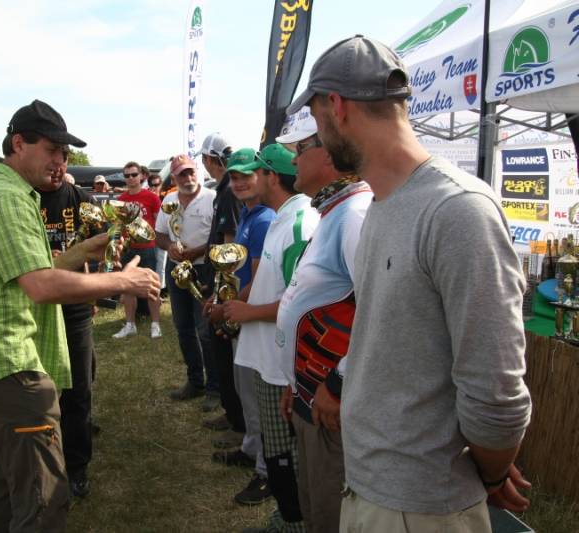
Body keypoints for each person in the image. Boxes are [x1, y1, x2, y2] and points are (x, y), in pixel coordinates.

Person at [286, 35, 532, 531]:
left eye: (315, 117)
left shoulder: (457, 210)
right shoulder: (382, 203)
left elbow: (496, 398)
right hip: (374, 489)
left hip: (419, 508)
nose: (317, 135)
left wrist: (487, 472)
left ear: (337, 107)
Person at [0, 99, 160, 532]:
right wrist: (123, 281)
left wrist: (84, 250)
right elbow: (42, 285)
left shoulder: (9, 194)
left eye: (65, 153)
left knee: (9, 491)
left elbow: (33, 271)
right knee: (43, 501)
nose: (60, 161)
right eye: (52, 149)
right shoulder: (6, 199)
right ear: (18, 144)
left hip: (1, 366)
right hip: (12, 367)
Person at [272, 107, 372, 533]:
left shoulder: (355, 215)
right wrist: (296, 381)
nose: (293, 160)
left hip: (334, 405)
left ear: (328, 152)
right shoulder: (336, 211)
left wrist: (338, 383)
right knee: (316, 506)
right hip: (313, 395)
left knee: (333, 514)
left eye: (299, 150)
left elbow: (379, 311)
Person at [222, 144, 318, 533]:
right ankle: (286, 516)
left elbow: (305, 304)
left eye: (256, 171)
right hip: (269, 360)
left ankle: (293, 524)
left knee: (284, 457)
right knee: (278, 453)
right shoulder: (282, 218)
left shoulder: (300, 224)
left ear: (271, 177)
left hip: (282, 367)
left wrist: (248, 313)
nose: (247, 178)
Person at [208, 147, 276, 507]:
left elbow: (259, 277)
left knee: (255, 394)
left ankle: (266, 471)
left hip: (253, 316)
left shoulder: (263, 220)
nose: (238, 183)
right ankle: (252, 450)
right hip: (241, 312)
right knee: (244, 388)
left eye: (245, 176)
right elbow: (236, 272)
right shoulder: (250, 214)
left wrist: (228, 308)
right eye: (233, 177)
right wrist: (219, 298)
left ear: (262, 176)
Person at [38, 155, 100, 498]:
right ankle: (41, 457)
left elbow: (98, 242)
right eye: (52, 159)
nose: (58, 166)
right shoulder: (25, 197)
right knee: (39, 387)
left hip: (73, 304)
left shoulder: (82, 200)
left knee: (79, 387)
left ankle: (77, 466)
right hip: (36, 303)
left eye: (63, 160)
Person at [155, 154, 219, 410]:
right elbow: (159, 234)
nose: (188, 177)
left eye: (191, 172)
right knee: (183, 327)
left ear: (198, 172)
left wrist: (197, 252)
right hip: (176, 268)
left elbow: (219, 237)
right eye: (182, 174)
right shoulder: (169, 200)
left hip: (203, 268)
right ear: (174, 178)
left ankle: (215, 388)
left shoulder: (212, 198)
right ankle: (195, 381)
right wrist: (169, 246)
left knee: (206, 329)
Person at [197, 133, 245, 432]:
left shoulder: (228, 191)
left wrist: (219, 293)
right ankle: (233, 413)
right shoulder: (225, 189)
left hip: (224, 282)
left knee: (224, 352)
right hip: (222, 280)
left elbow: (229, 245)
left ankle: (235, 417)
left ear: (208, 159)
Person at [112, 161, 163, 339]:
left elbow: (160, 223)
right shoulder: (121, 199)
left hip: (148, 248)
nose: (131, 178)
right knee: (128, 287)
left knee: (152, 285)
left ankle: (155, 325)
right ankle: (130, 325)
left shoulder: (151, 197)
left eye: (134, 174)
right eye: (127, 175)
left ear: (141, 176)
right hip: (128, 248)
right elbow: (118, 225)